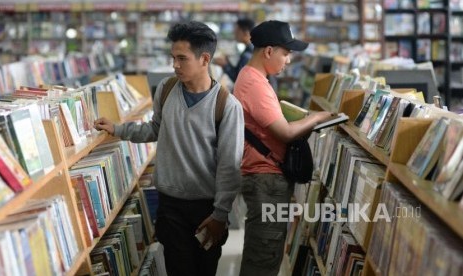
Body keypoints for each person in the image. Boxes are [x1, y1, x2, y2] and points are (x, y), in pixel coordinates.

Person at [93, 21, 244, 276]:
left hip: (206, 209)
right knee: (177, 269)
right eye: (173, 57)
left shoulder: (227, 106)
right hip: (170, 206)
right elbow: (155, 128)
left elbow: (230, 166)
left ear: (204, 59)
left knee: (204, 269)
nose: (175, 65)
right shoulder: (166, 89)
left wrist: (220, 214)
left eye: (182, 59)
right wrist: (118, 129)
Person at [233, 20, 334, 276]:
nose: (287, 60)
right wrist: (317, 118)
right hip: (265, 178)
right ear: (268, 51)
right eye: (286, 54)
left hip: (265, 177)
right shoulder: (254, 83)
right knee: (263, 258)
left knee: (267, 252)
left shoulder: (254, 78)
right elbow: (285, 133)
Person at [213, 18, 255, 83]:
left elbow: (238, 78)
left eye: (237, 31)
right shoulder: (251, 49)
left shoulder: (247, 55)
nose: (234, 33)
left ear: (245, 33)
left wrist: (225, 65)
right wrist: (227, 63)